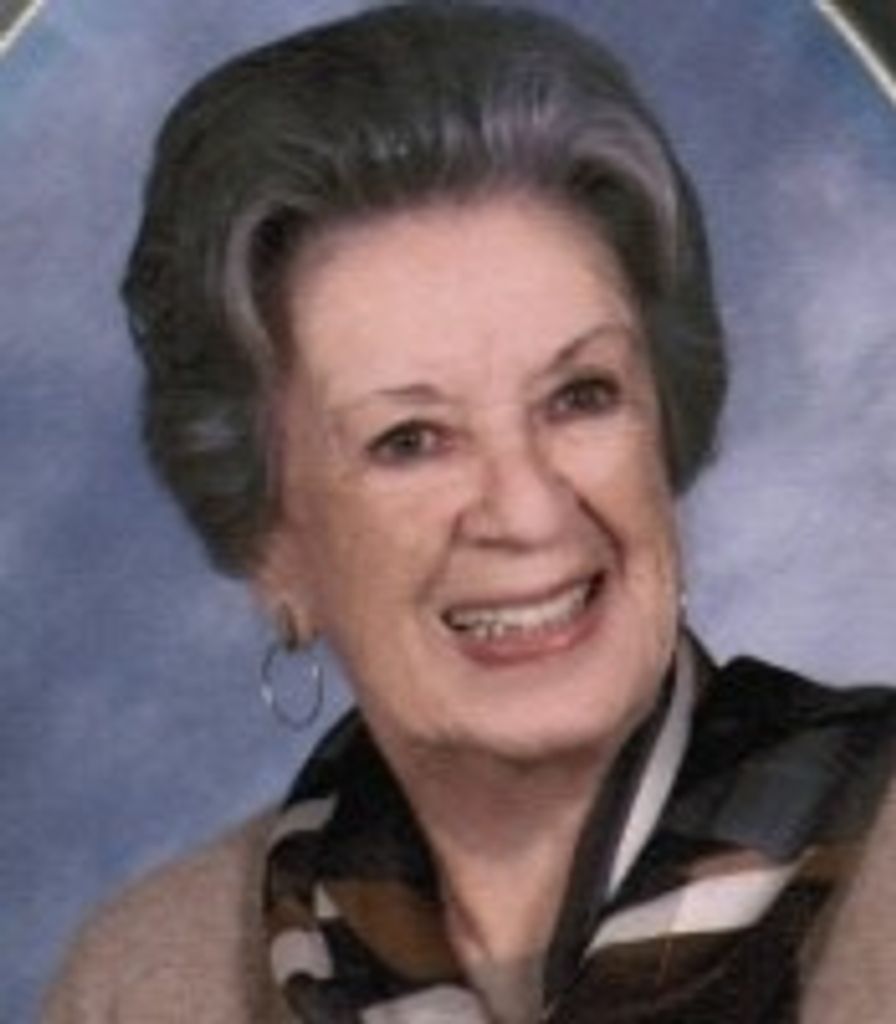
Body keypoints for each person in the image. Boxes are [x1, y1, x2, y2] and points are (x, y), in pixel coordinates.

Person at [42, 3, 896, 1022]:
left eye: (579, 396)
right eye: (410, 440)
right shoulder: (150, 983)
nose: (526, 510)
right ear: (271, 548)